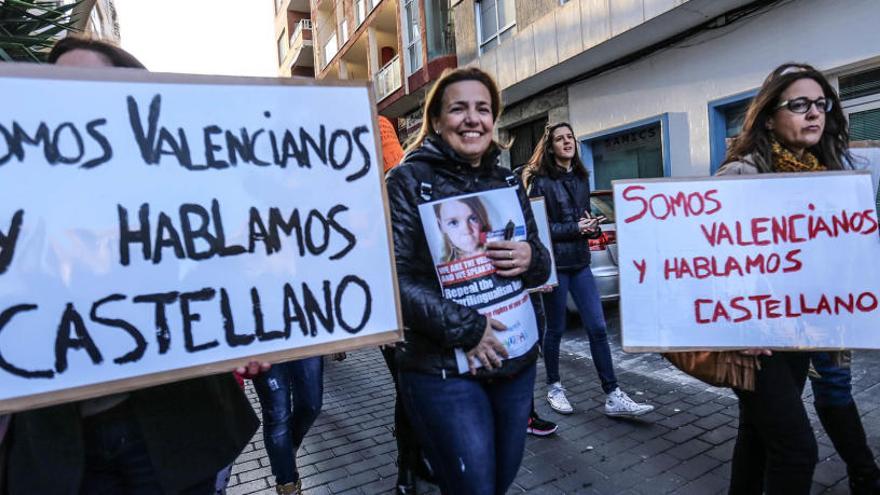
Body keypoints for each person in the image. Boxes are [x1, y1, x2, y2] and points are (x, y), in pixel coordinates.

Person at [4, 36, 261, 495]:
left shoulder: (184, 186)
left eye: (87, 90)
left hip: (172, 431)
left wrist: (247, 332)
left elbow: (222, 277)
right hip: (65, 449)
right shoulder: (17, 196)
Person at [385, 67, 551, 495]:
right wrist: (469, 328)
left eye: (483, 108)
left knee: (500, 479)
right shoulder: (406, 182)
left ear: (494, 120)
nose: (472, 118)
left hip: (514, 361)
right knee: (473, 486)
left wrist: (532, 257)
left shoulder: (507, 180)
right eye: (458, 109)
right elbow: (392, 280)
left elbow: (539, 263)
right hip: (442, 368)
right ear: (437, 121)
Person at [716, 62, 863, 494]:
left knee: (758, 436)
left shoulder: (831, 174)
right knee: (797, 450)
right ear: (769, 116)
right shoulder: (741, 174)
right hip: (755, 339)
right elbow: (714, 263)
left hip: (803, 332)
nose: (814, 113)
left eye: (821, 103)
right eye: (799, 104)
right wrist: (738, 319)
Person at [522, 122, 654, 418]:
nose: (567, 142)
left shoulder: (582, 178)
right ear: (551, 147)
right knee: (554, 330)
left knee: (597, 327)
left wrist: (592, 229)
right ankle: (554, 386)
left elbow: (582, 222)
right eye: (560, 139)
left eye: (570, 137)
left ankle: (613, 394)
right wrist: (575, 228)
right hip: (555, 268)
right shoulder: (541, 182)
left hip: (581, 264)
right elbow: (537, 229)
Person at [251, 357, 324, 495]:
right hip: (264, 345)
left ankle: (289, 449)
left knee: (311, 405)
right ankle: (287, 483)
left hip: (304, 341)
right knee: (277, 414)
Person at [434, 197, 492, 262]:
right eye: (453, 222)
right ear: (441, 226)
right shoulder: (442, 264)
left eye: (473, 218)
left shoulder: (497, 251)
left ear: (482, 220)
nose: (466, 231)